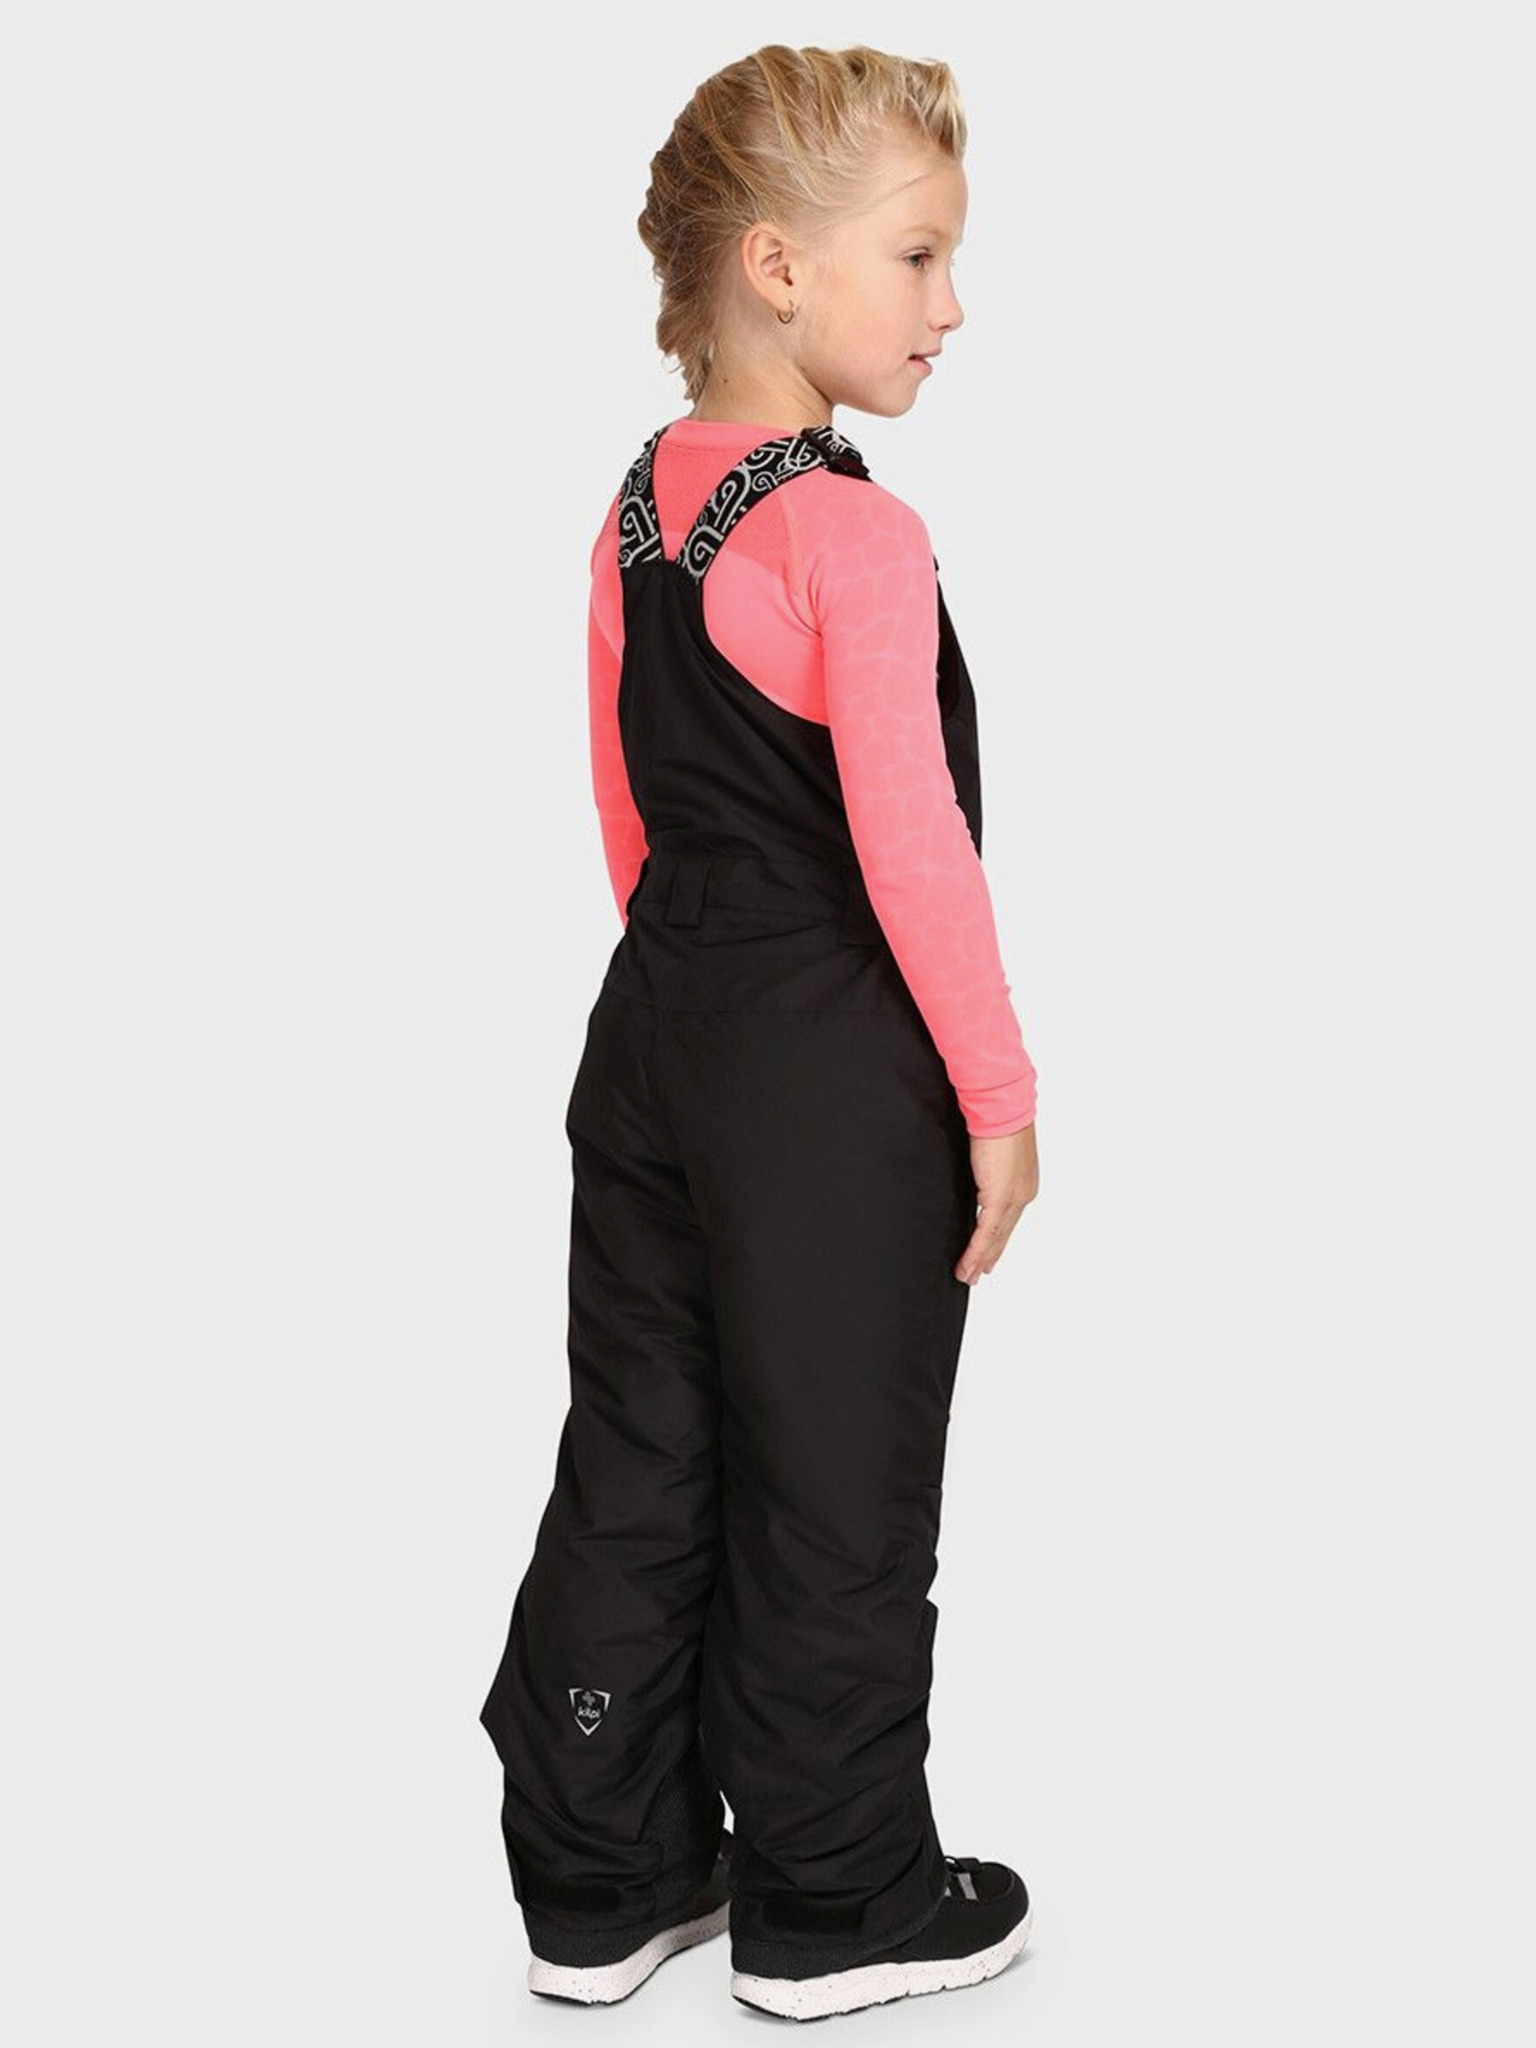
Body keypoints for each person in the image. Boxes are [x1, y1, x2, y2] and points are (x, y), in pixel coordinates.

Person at [479, 41, 1041, 2022]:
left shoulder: (643, 512)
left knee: (641, 1448)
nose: (953, 304)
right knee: (831, 1472)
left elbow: (627, 811)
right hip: (828, 1071)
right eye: (921, 256)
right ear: (779, 268)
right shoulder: (850, 536)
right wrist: (994, 1093)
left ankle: (603, 1872)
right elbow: (912, 838)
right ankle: (835, 1890)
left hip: (651, 1038)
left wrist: (694, 1013)